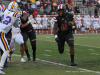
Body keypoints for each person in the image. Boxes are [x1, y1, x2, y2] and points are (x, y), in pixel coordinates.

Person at [0, 1, 25, 74]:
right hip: (1, 33)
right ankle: (0, 68)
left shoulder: (4, 10)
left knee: (6, 49)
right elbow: (15, 25)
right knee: (6, 50)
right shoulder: (16, 14)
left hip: (1, 31)